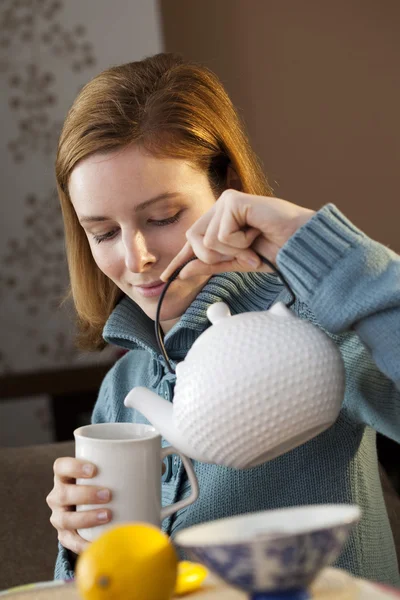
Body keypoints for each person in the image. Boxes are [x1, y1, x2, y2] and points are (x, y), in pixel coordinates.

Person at [46, 53, 400, 585]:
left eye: (163, 217)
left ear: (226, 187)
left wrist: (324, 250)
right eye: (103, 233)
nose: (136, 256)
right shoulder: (123, 385)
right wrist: (81, 545)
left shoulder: (315, 331)